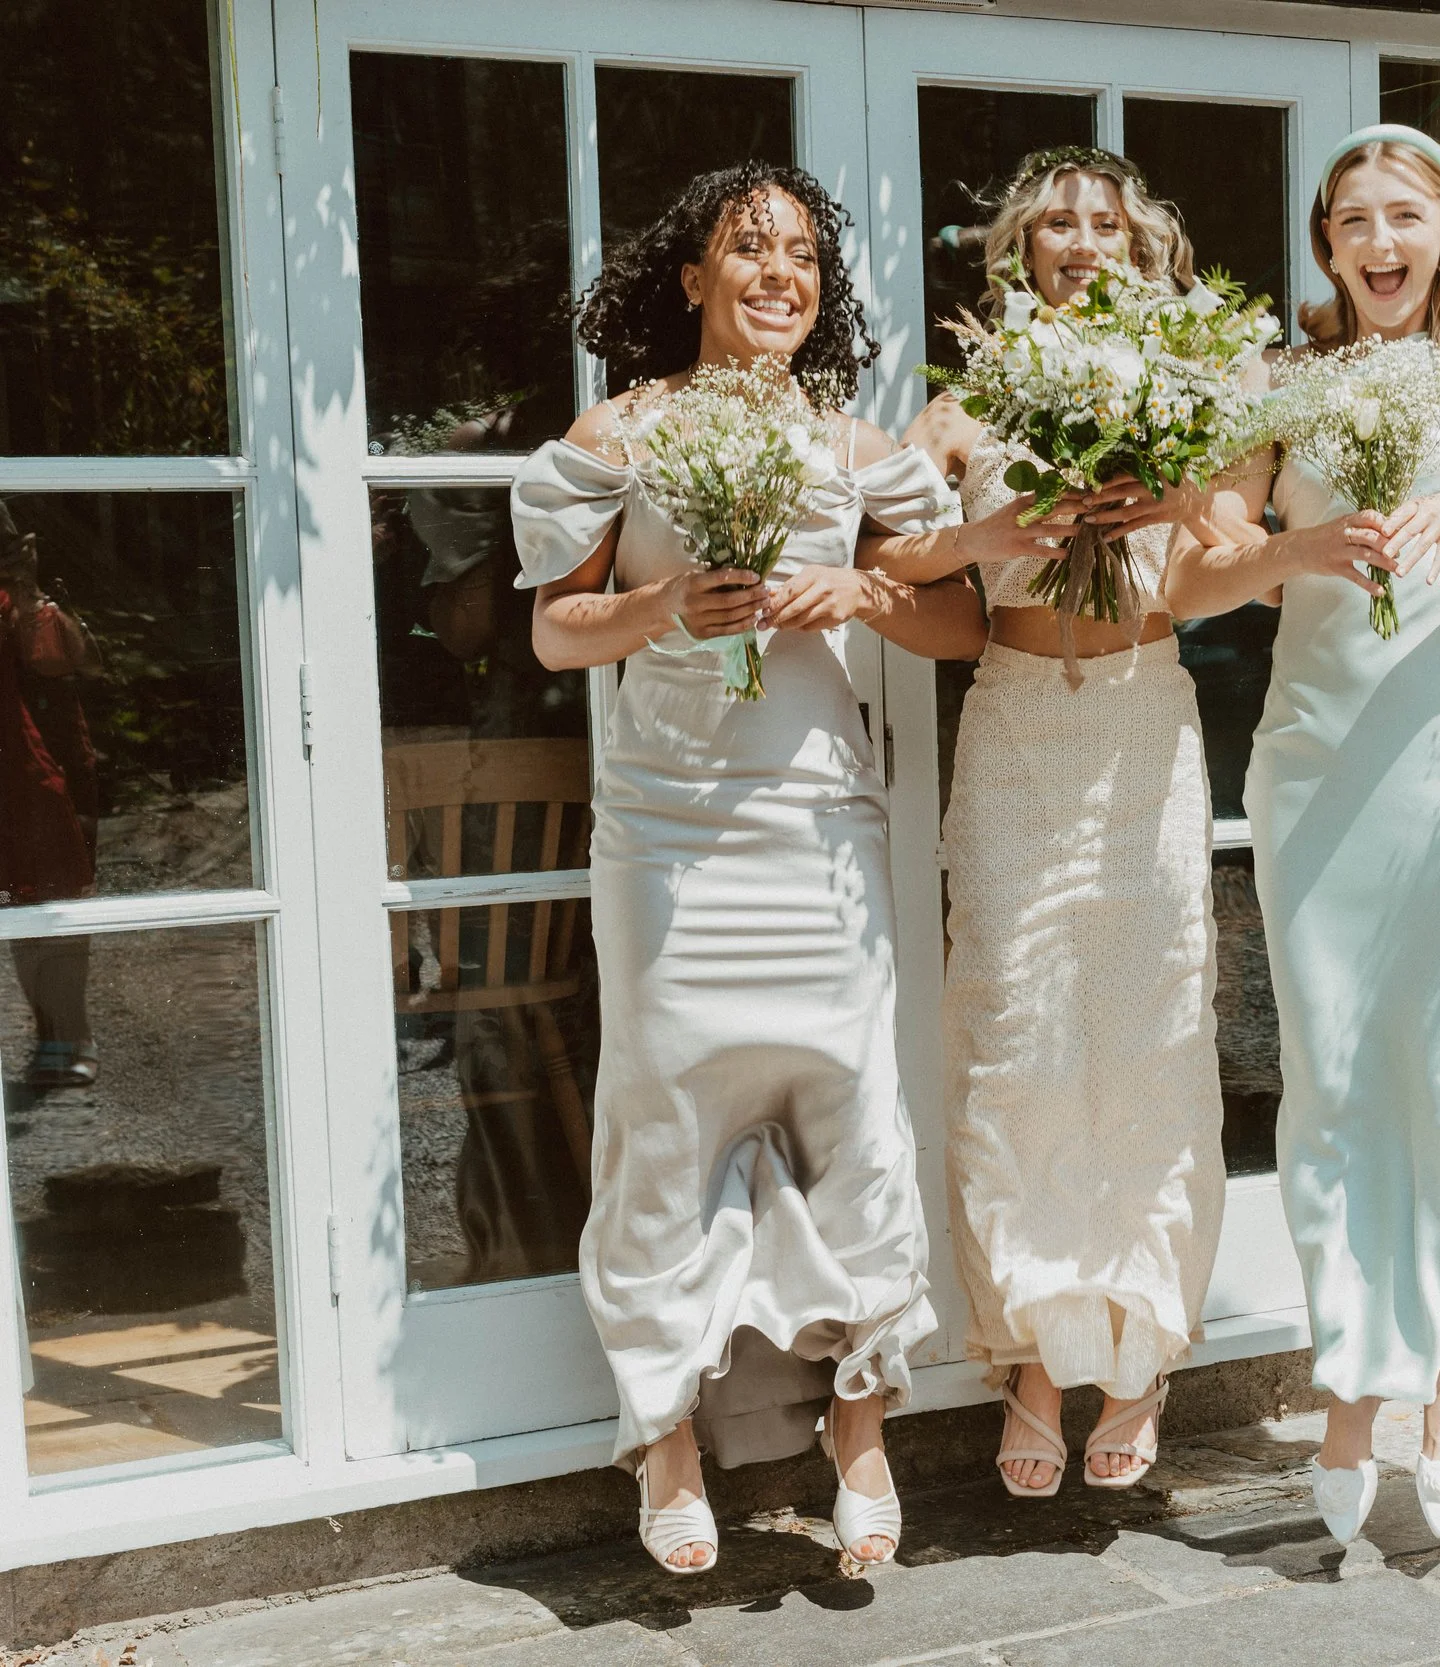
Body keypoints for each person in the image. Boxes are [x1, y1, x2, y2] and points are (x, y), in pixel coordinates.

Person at [509, 162, 985, 1576]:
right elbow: (553, 632)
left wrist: (869, 591)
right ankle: (662, 1438)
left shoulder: (851, 446)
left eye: (799, 257)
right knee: (661, 1120)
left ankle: (861, 1432)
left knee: (854, 1113)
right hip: (669, 825)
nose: (779, 274)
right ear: (692, 280)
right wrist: (664, 602)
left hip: (817, 824)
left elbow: (960, 624)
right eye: (746, 249)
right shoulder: (621, 429)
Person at [1162, 124, 1440, 1547]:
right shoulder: (1283, 381)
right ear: (1326, 243)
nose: (1378, 242)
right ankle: (1351, 1379)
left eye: (1403, 214)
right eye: (1352, 220)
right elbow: (1190, 573)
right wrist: (1304, 547)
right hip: (1317, 762)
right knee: (1333, 1073)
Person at [865, 146, 1225, 1497]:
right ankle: (1032, 1349)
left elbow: (1225, 552)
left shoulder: (1190, 392)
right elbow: (886, 554)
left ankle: (1136, 1352)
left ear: (1143, 246)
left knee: (1147, 1022)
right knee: (1016, 1033)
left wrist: (1175, 499)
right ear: (1020, 247)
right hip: (1014, 715)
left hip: (1142, 717)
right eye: (1058, 221)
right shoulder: (967, 405)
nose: (1083, 237)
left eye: (1108, 221)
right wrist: (994, 528)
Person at [0, 499, 101, 1091]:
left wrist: (26, 581)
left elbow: (63, 661)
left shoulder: (20, 601)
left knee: (43, 900)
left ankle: (67, 1034)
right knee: (18, 904)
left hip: (24, 770)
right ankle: (52, 1036)